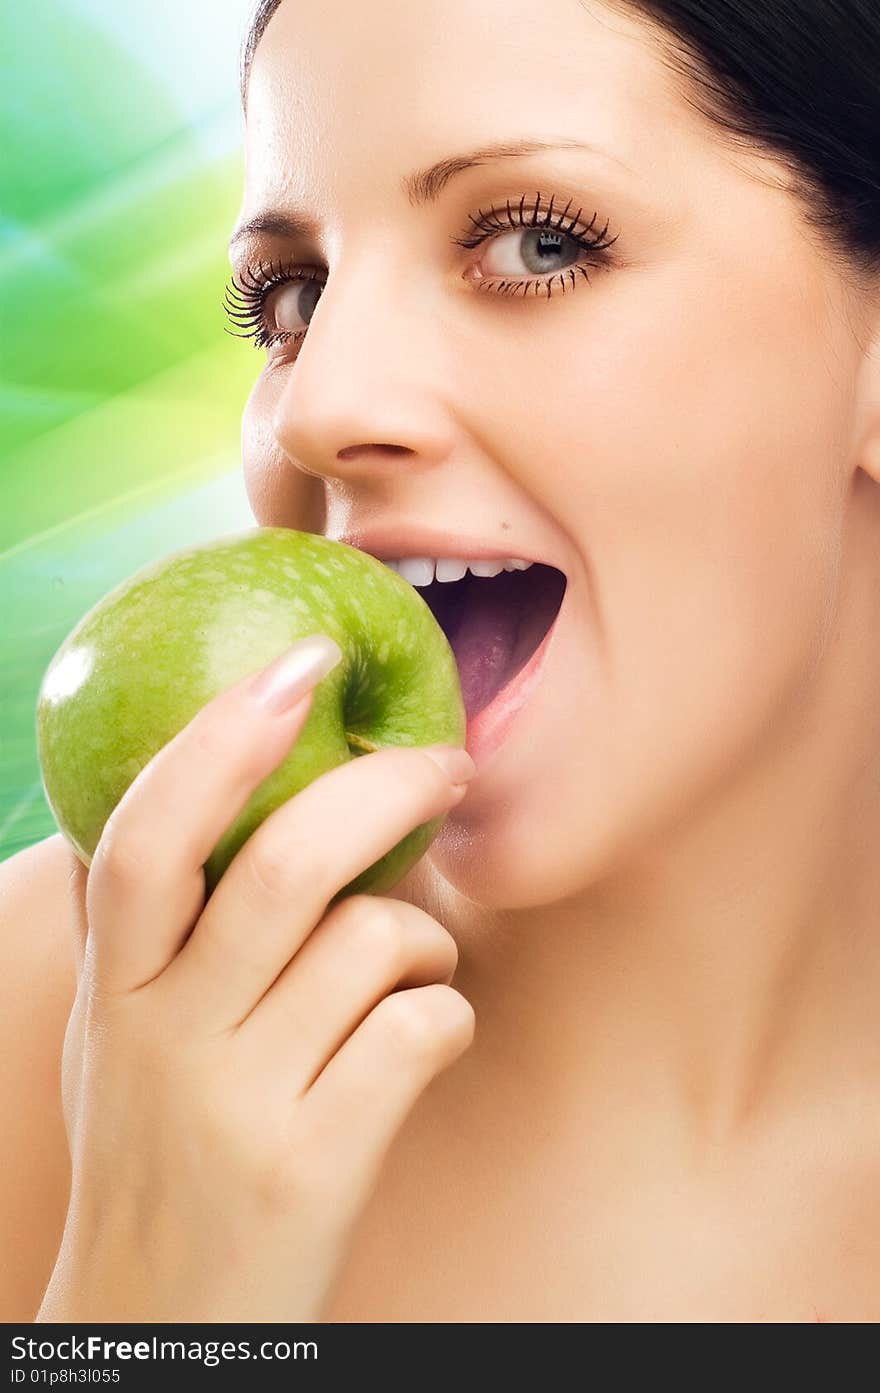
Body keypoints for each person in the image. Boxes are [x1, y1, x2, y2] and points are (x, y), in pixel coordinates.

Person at [2, 0, 879, 1322]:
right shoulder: (52, 1007)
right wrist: (145, 1299)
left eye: (537, 240)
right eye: (292, 296)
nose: (321, 405)